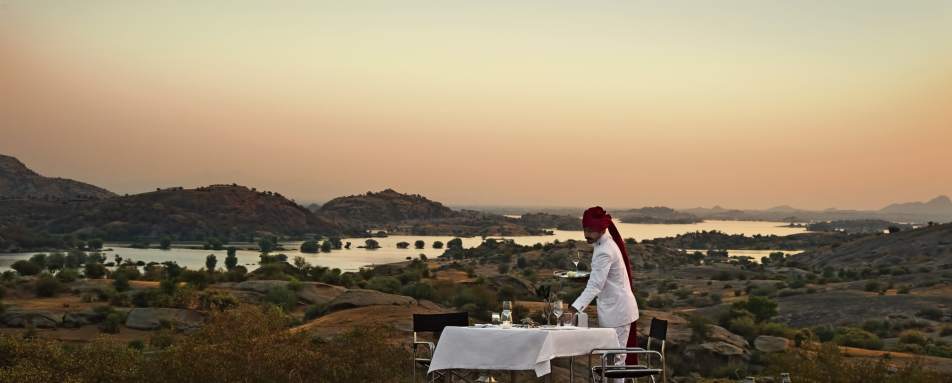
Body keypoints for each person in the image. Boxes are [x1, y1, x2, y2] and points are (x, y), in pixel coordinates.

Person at [568, 206, 639, 377]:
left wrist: (574, 309)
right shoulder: (604, 244)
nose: (585, 234)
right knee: (610, 360)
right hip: (614, 310)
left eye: (590, 230)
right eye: (584, 229)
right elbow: (603, 278)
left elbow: (595, 286)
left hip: (618, 312)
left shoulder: (604, 250)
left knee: (616, 361)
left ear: (601, 229)